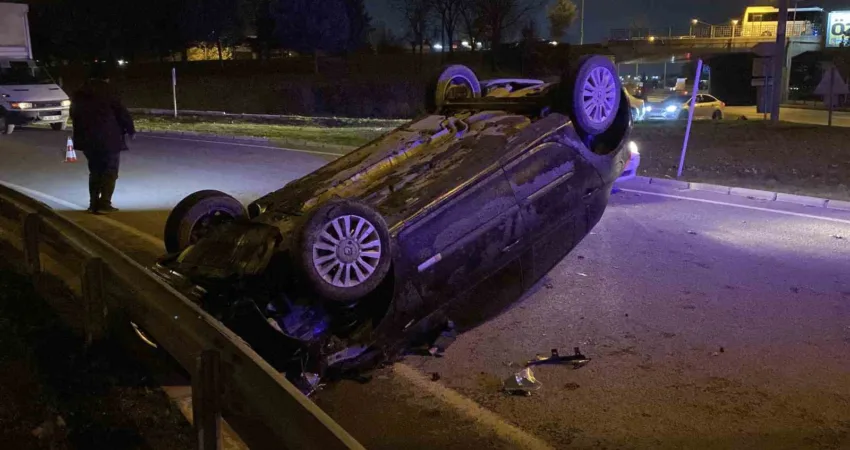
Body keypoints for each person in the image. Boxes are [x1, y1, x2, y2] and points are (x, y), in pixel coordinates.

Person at [70, 63, 135, 214]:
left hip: (87, 140)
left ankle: (93, 204)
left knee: (95, 171)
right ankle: (105, 203)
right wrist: (130, 130)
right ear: (106, 77)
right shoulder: (109, 91)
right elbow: (121, 112)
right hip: (108, 139)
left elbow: (74, 115)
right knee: (110, 171)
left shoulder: (79, 93)